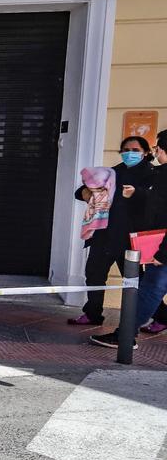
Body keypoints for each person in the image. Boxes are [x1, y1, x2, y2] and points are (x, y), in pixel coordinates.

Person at [92, 130, 167, 349]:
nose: (157, 152)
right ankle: (125, 333)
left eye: (158, 148)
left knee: (149, 290)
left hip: (163, 249)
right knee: (149, 290)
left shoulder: (160, 175)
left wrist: (162, 253)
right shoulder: (160, 175)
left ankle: (125, 335)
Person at [69, 136, 154, 326]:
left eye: (134, 150)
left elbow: (152, 201)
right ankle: (92, 314)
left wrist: (137, 193)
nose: (129, 153)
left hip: (128, 237)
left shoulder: (151, 174)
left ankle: (162, 317)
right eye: (125, 150)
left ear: (146, 152)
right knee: (94, 274)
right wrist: (86, 192)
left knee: (135, 281)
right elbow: (85, 188)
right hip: (104, 233)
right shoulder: (115, 171)